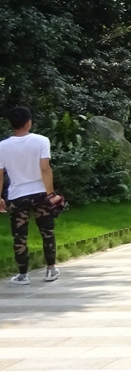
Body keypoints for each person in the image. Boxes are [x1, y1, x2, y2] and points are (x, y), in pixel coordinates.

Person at [0, 107, 64, 285]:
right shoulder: (41, 141)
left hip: (17, 195)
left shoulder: (2, 146)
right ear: (28, 123)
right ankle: (51, 270)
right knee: (47, 231)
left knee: (19, 236)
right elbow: (45, 168)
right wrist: (51, 193)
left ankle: (23, 275)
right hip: (40, 193)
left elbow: (0, 175)